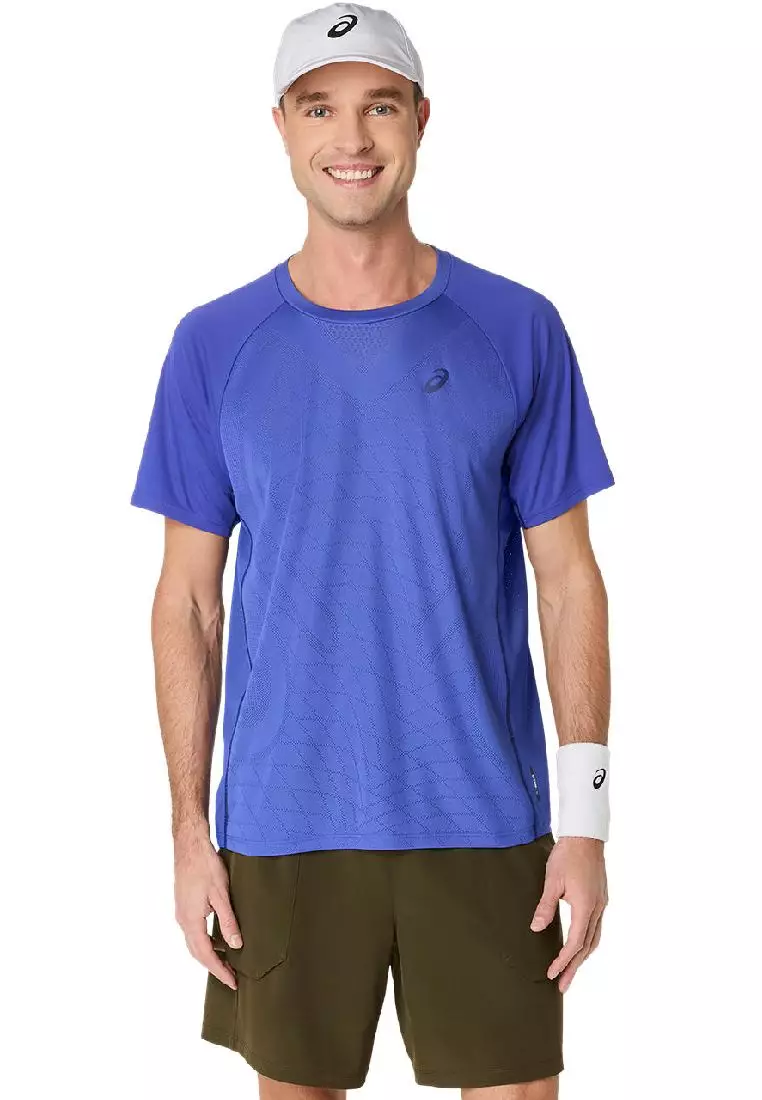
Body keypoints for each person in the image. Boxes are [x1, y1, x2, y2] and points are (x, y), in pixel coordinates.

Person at [130, 4, 615, 1097]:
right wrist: (188, 833)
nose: (351, 138)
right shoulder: (213, 344)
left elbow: (568, 580)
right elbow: (189, 602)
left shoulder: (517, 328)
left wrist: (585, 820)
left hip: (486, 813)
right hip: (283, 821)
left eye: (379, 106)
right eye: (320, 108)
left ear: (421, 120)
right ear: (281, 126)